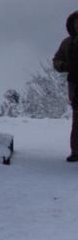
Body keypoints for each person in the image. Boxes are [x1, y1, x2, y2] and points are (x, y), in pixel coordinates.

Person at [52, 11, 78, 162]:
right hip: (76, 86)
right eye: (75, 23)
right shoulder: (67, 43)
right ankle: (76, 152)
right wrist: (65, 66)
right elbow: (56, 60)